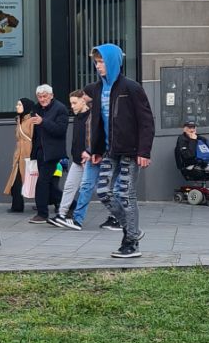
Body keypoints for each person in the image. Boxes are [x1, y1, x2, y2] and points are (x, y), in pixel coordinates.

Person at [88, 43, 154, 259]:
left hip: (131, 151)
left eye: (102, 62)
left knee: (125, 194)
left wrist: (144, 152)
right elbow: (97, 121)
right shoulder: (97, 89)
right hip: (109, 151)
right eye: (96, 62)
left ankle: (131, 243)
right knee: (103, 192)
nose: (98, 66)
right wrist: (96, 149)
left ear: (113, 62)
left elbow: (146, 121)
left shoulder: (131, 88)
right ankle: (133, 230)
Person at [50, 88, 94, 230]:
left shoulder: (92, 117)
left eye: (75, 103)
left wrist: (90, 153)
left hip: (90, 160)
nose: (72, 106)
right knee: (69, 186)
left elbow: (94, 138)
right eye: (71, 103)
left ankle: (116, 217)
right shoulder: (77, 117)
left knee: (95, 190)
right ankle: (61, 215)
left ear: (83, 101)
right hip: (77, 160)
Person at [27, 82, 68, 222]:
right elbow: (35, 133)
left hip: (53, 152)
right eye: (39, 97)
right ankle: (70, 205)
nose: (42, 99)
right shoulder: (36, 108)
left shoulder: (60, 109)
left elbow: (60, 130)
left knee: (42, 182)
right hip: (40, 151)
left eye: (44, 96)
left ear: (51, 96)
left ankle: (42, 213)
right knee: (49, 184)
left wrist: (43, 121)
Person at [4, 95, 35, 212]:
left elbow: (35, 138)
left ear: (26, 106)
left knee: (35, 180)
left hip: (29, 155)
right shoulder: (19, 120)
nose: (17, 106)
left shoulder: (32, 121)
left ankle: (56, 202)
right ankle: (17, 206)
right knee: (16, 181)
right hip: (19, 156)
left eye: (19, 104)